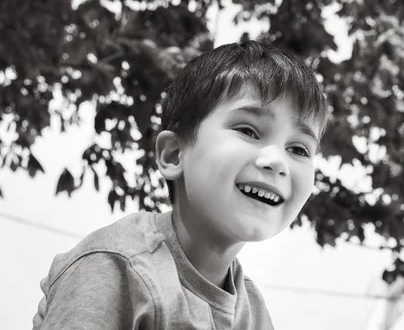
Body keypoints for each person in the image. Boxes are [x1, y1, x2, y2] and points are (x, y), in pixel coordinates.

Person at [32, 40, 329, 329]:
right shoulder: (119, 267)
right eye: (248, 130)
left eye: (299, 150)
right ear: (174, 154)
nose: (277, 161)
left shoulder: (252, 311)